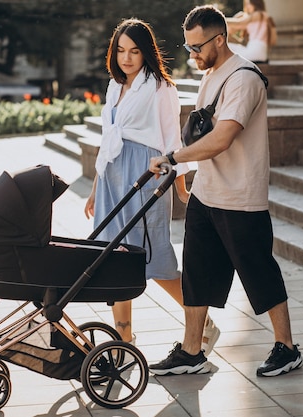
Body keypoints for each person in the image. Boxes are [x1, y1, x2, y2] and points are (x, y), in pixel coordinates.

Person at [148, 5, 303, 377]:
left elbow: (222, 137)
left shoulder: (244, 78)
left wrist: (173, 158)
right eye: (188, 48)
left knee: (258, 272)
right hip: (208, 192)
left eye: (198, 47)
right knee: (196, 275)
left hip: (240, 196)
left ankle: (287, 348)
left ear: (221, 39)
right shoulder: (212, 73)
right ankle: (191, 352)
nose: (193, 55)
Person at [84, 18, 220, 354]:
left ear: (146, 53)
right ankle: (123, 340)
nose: (126, 58)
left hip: (147, 175)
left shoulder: (162, 88)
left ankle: (202, 321)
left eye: (134, 51)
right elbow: (107, 140)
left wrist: (181, 182)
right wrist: (95, 188)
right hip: (112, 174)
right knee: (112, 258)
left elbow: (173, 138)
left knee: (153, 257)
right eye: (120, 51)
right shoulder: (115, 87)